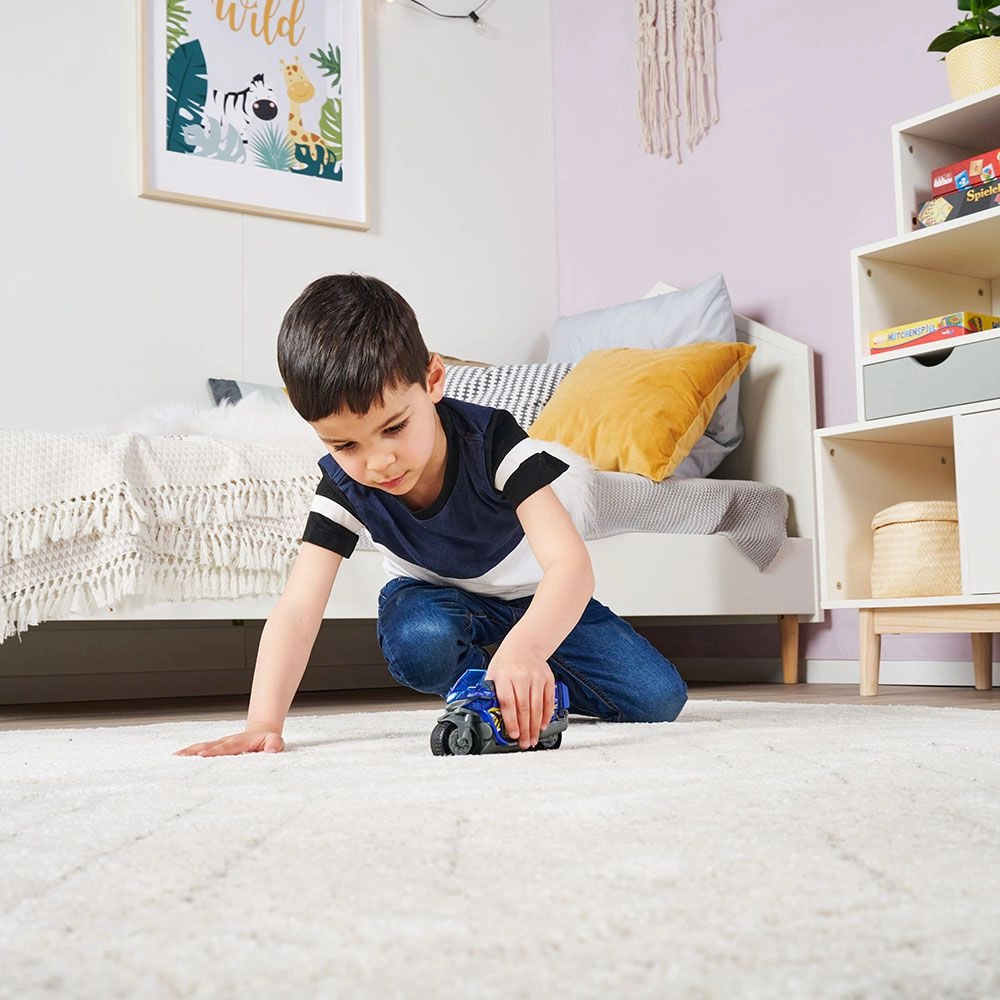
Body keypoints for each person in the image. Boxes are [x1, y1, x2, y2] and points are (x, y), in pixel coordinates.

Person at [176, 275, 687, 757]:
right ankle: (493, 688)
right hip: (435, 604)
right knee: (421, 640)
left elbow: (569, 565)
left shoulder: (494, 441)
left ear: (434, 380)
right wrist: (263, 722)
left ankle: (517, 675)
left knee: (658, 698)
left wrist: (528, 647)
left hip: (531, 600)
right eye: (346, 445)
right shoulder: (344, 484)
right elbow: (298, 609)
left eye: (395, 428)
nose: (378, 462)